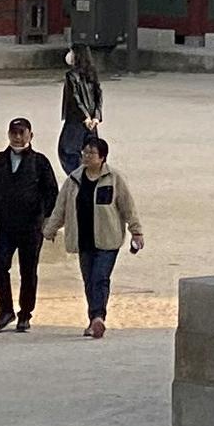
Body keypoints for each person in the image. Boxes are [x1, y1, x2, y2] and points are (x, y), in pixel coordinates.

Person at [0, 115, 58, 332]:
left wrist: (48, 220)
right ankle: (5, 310)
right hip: (5, 226)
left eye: (22, 133)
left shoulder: (40, 162)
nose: (18, 137)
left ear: (31, 135)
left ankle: (25, 314)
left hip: (31, 226)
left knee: (28, 271)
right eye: (14, 133)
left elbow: (52, 193)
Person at [62, 130, 145, 338]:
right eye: (85, 152)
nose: (87, 156)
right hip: (84, 239)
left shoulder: (114, 179)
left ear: (102, 157)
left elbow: (128, 207)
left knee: (100, 277)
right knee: (89, 280)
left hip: (108, 239)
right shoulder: (74, 179)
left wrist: (136, 231)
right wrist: (50, 228)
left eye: (92, 153)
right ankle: (94, 318)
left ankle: (98, 316)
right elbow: (61, 206)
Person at [56, 40, 104, 176]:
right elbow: (99, 96)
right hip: (91, 123)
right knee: (91, 152)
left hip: (77, 121)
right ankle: (89, 176)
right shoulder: (92, 73)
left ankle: (79, 178)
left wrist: (86, 117)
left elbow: (75, 98)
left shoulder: (71, 76)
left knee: (67, 151)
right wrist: (96, 117)